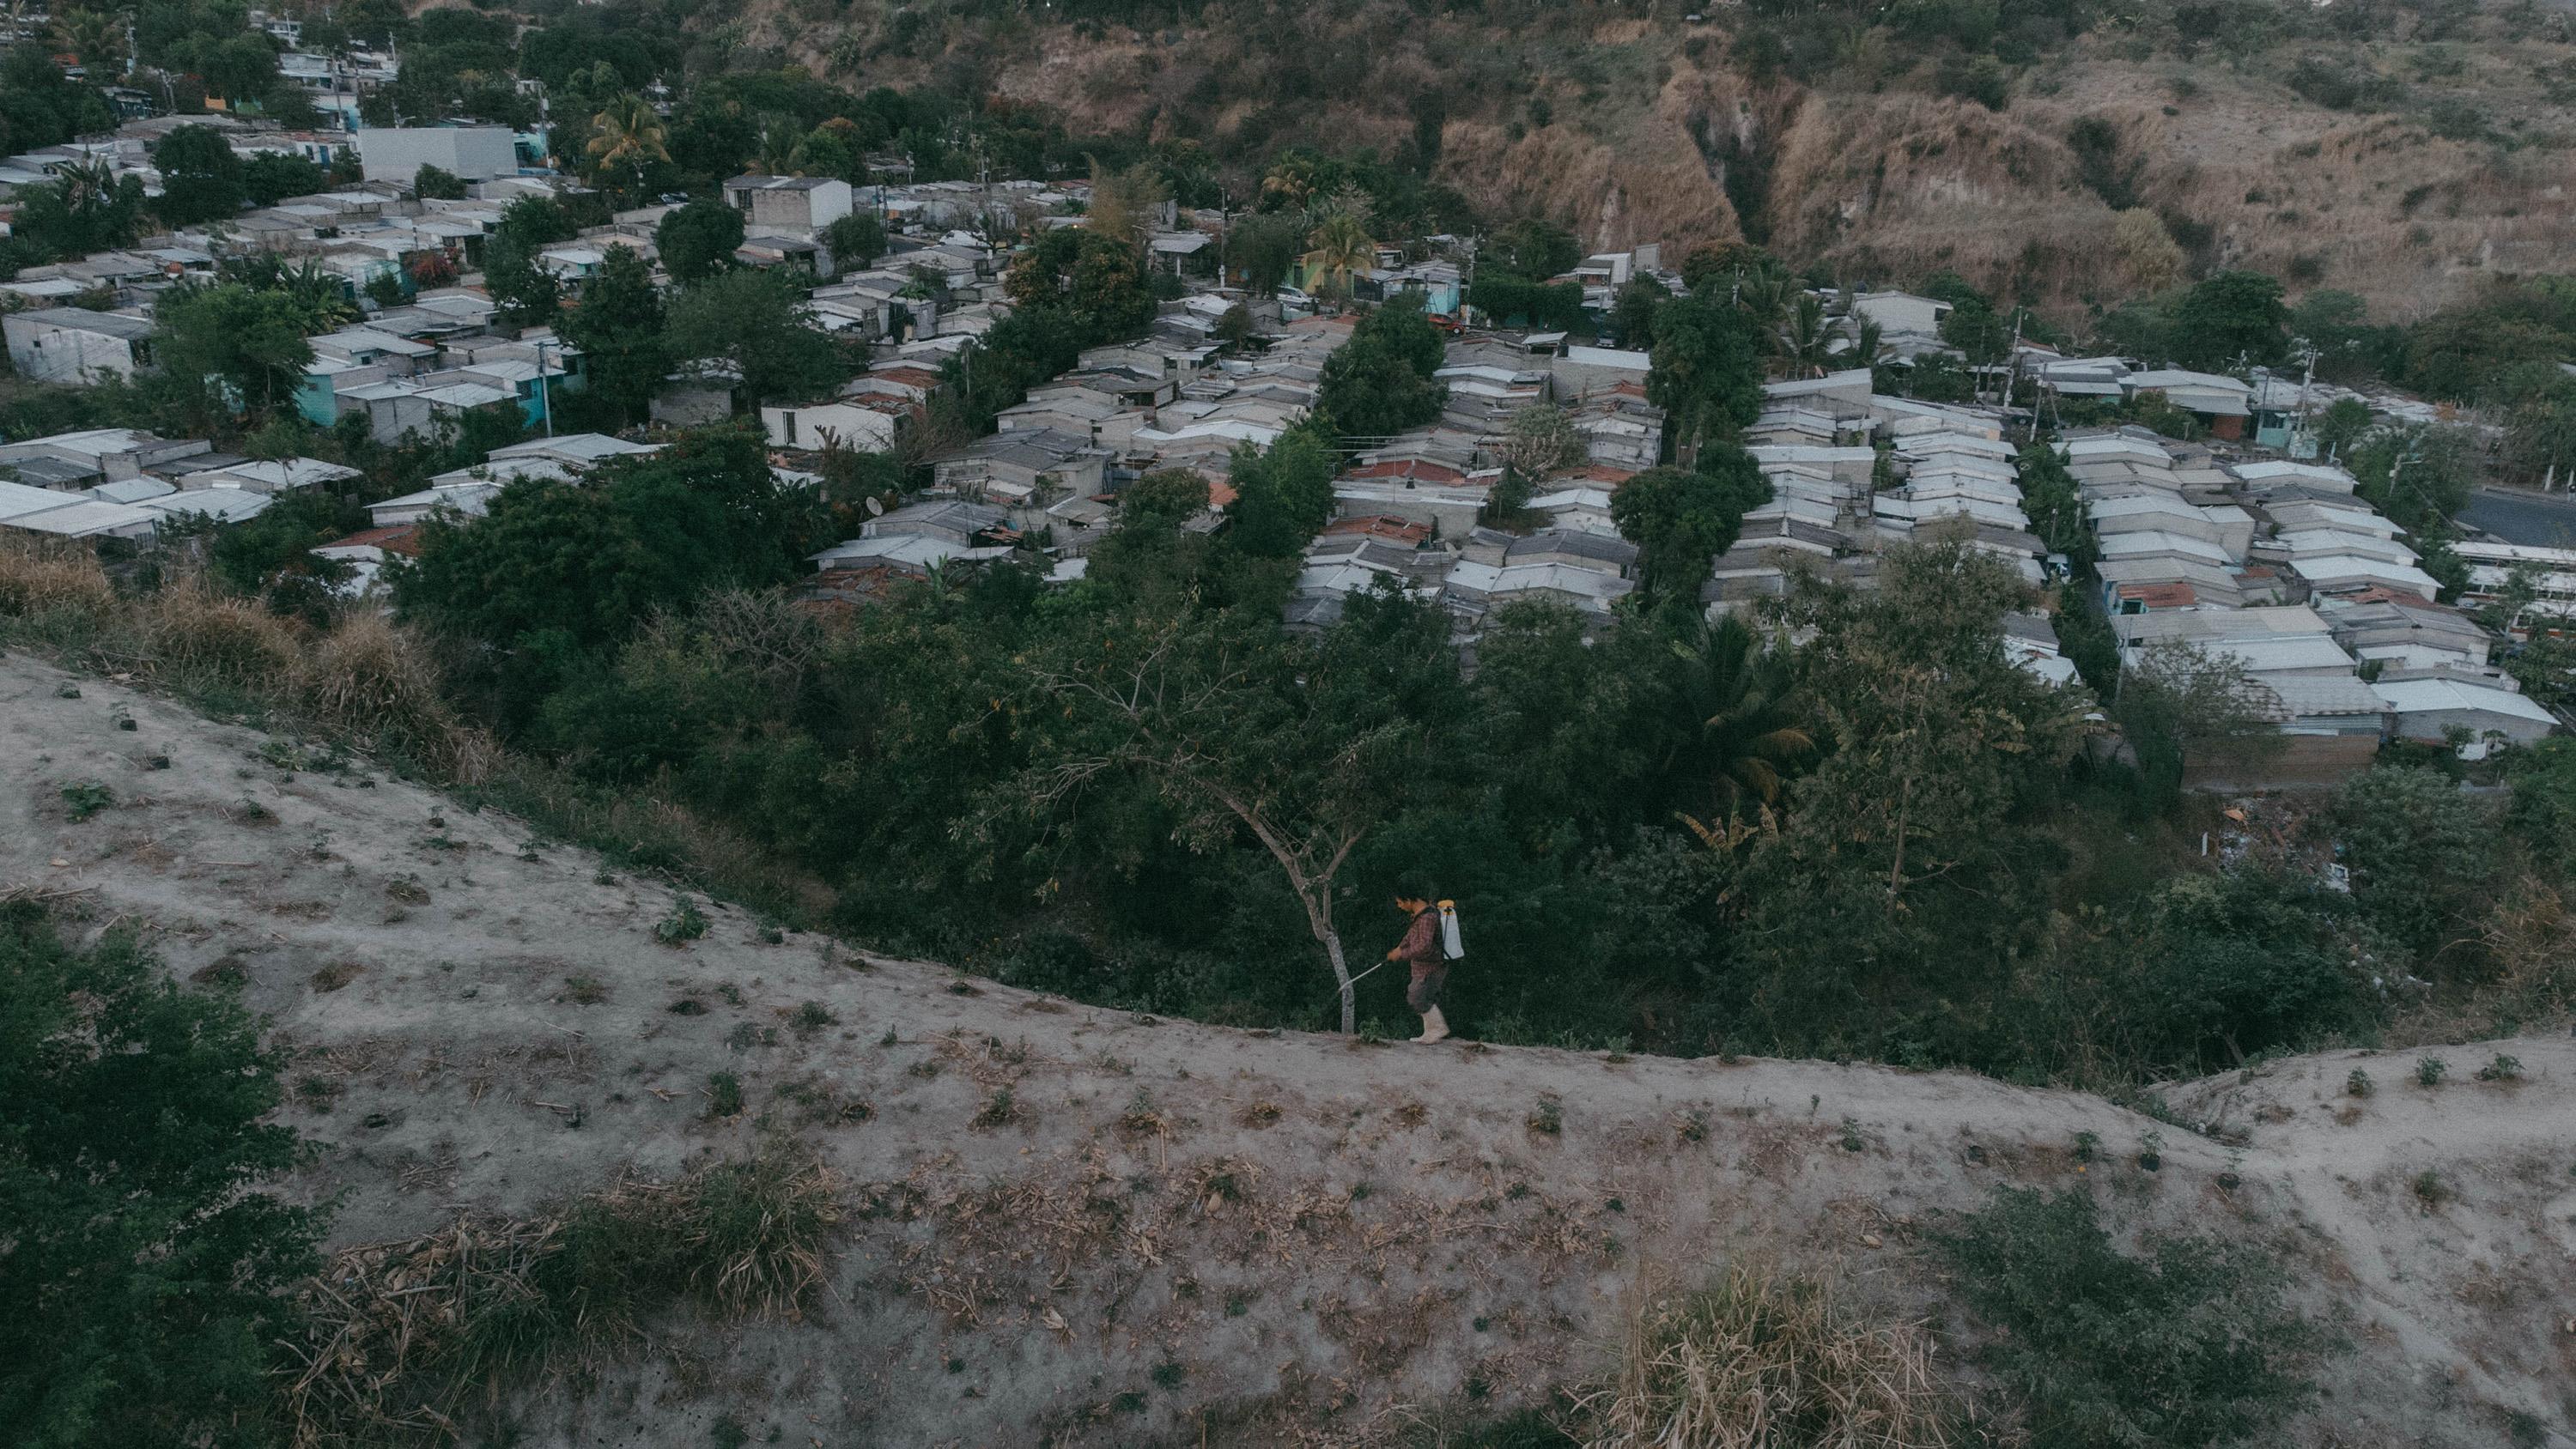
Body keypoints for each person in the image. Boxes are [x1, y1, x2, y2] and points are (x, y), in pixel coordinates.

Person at [1387, 893, 1449, 1044]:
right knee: (1423, 997)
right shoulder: (1420, 915)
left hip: (1431, 967)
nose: (1399, 906)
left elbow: (1424, 946)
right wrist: (1398, 949)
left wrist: (1402, 953)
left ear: (1409, 899)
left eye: (1400, 902)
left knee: (1416, 997)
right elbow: (1410, 936)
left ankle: (1438, 1029)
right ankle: (1430, 1033)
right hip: (1422, 967)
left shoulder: (1427, 918)